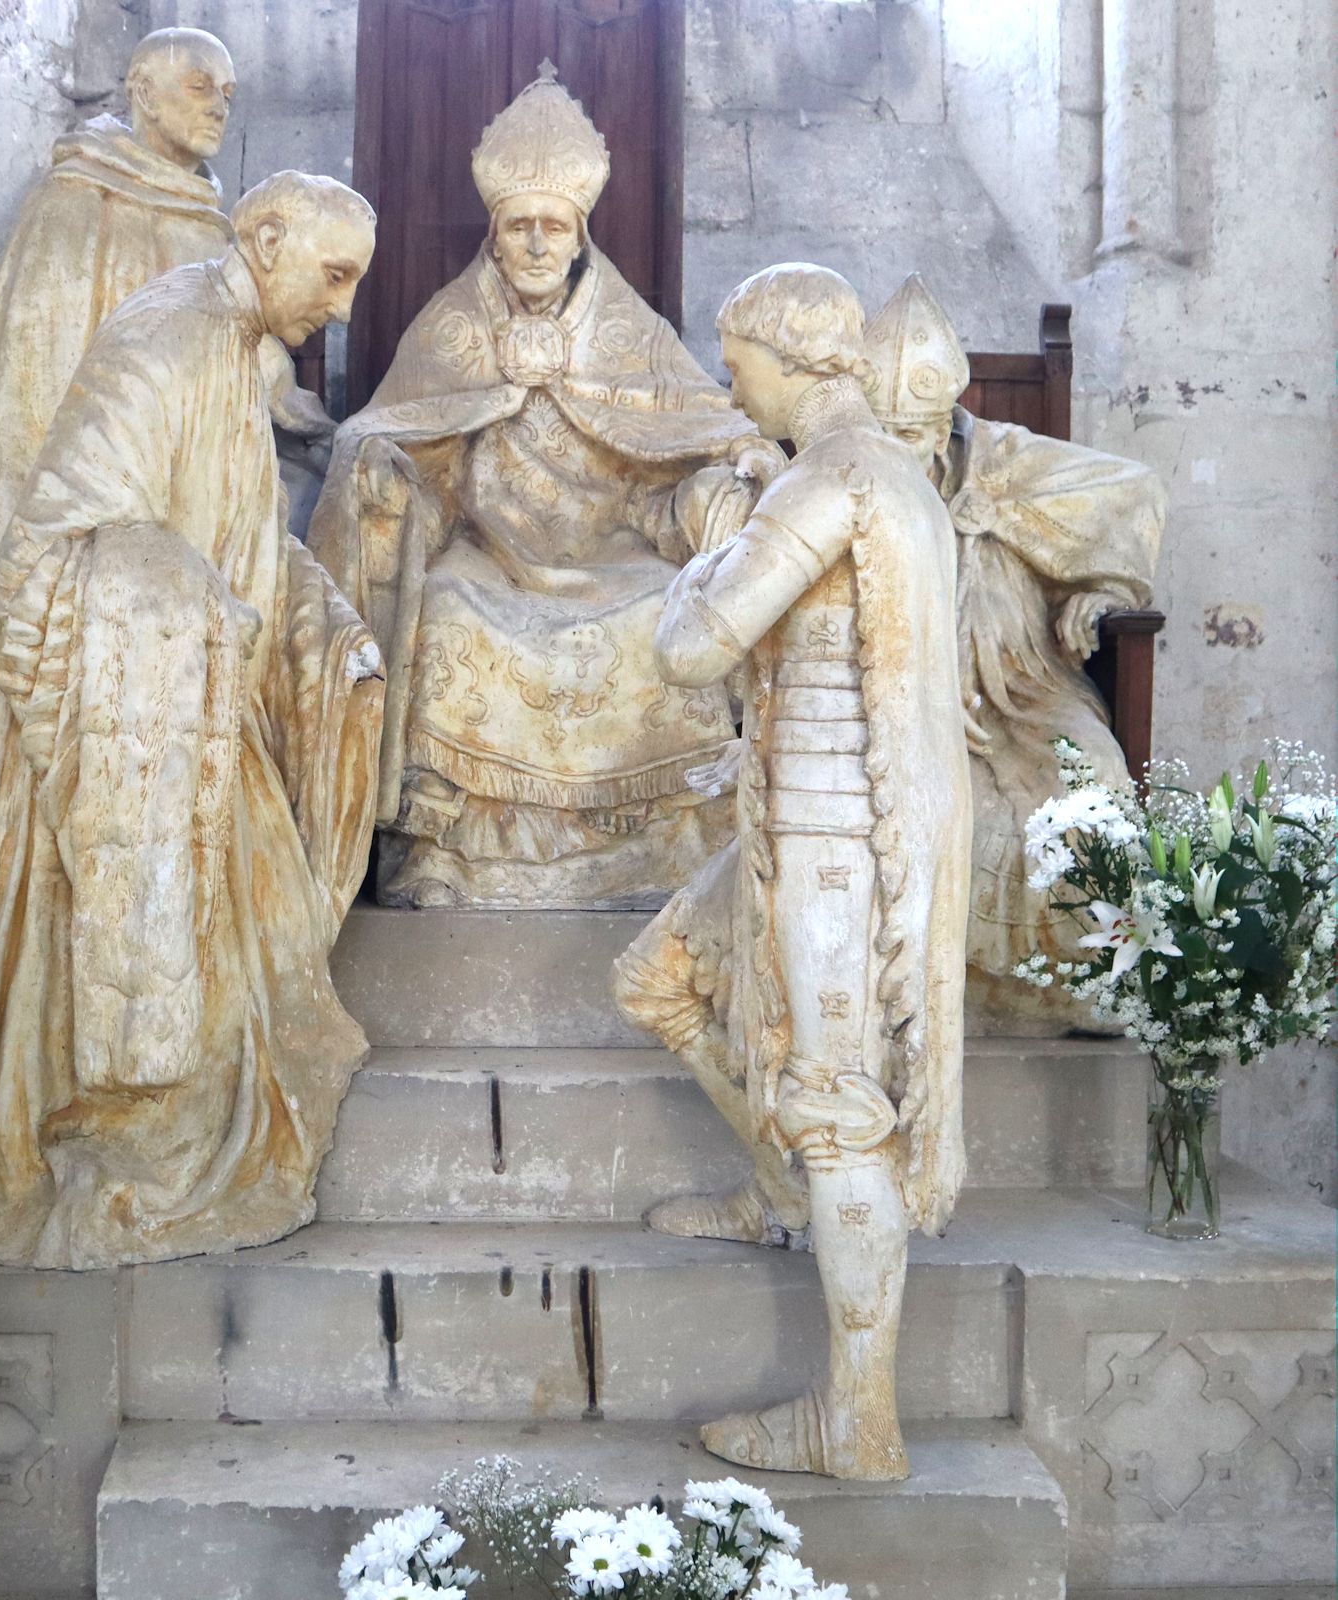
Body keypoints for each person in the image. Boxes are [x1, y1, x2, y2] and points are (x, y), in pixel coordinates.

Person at [0, 174, 383, 1269]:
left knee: (274, 971)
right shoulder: (169, 340)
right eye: (333, 275)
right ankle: (122, 1149)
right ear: (266, 238)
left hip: (197, 707)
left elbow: (228, 521)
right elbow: (58, 546)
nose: (341, 305)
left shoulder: (229, 346)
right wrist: (191, 630)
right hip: (137, 725)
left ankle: (167, 1140)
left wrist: (312, 622)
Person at [614, 265, 971, 1478]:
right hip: (794, 829)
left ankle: (856, 1419)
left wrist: (707, 559)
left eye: (737, 356)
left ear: (790, 355)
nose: (727, 379)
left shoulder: (834, 480)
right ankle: (778, 1192)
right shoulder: (882, 477)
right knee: (655, 979)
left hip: (835, 847)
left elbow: (689, 645)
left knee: (840, 1116)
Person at [308, 65, 781, 908]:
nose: (533, 243)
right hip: (491, 560)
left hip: (615, 558)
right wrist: (393, 486)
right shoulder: (452, 330)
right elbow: (403, 450)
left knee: (674, 614)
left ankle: (664, 852)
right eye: (518, 225)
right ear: (493, 236)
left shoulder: (629, 332)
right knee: (445, 614)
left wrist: (733, 475)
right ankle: (447, 857)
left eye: (551, 228)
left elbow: (690, 442)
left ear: (578, 237)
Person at [864, 275, 1164, 1026]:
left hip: (1022, 687)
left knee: (1089, 779)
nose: (893, 453)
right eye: (880, 433)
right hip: (885, 699)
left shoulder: (1002, 459)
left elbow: (1131, 489)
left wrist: (1100, 586)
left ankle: (1072, 988)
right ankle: (941, 992)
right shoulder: (843, 476)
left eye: (908, 436)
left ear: (945, 424)